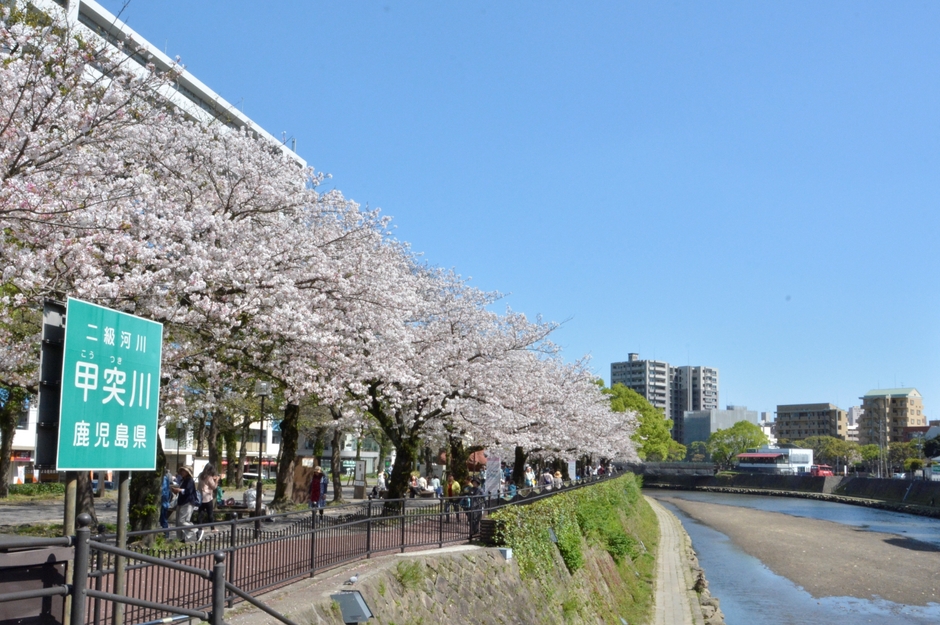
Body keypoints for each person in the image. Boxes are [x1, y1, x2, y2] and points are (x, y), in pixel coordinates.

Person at [172, 466, 202, 543]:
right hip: (181, 502)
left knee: (182, 521)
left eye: (184, 471)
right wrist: (176, 490)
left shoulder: (190, 480)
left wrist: (179, 490)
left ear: (188, 472)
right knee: (178, 522)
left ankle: (196, 530)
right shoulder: (183, 480)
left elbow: (188, 491)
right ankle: (180, 539)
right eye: (182, 470)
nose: (182, 472)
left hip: (188, 502)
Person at [197, 463, 219, 529]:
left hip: (201, 497)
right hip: (207, 498)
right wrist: (216, 481)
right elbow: (214, 487)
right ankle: (212, 528)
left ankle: (199, 528)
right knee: (210, 513)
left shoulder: (200, 475)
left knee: (200, 514)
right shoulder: (209, 477)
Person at [159, 468, 174, 539]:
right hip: (164, 501)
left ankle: (166, 533)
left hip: (163, 502)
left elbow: (163, 491)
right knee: (162, 519)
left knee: (163, 518)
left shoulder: (164, 479)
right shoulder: (165, 478)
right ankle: (165, 533)